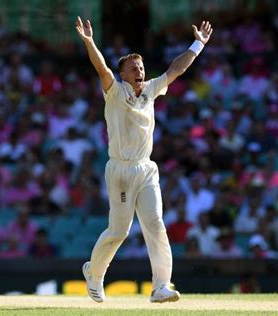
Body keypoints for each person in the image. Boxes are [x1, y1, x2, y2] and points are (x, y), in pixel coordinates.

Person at [76, 17, 212, 303]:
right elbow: (101, 67)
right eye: (133, 68)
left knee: (155, 223)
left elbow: (176, 68)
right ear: (123, 74)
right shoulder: (114, 91)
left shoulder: (151, 89)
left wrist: (198, 43)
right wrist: (89, 42)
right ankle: (95, 273)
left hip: (147, 169)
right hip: (120, 170)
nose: (139, 70)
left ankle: (160, 286)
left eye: (141, 67)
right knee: (119, 231)